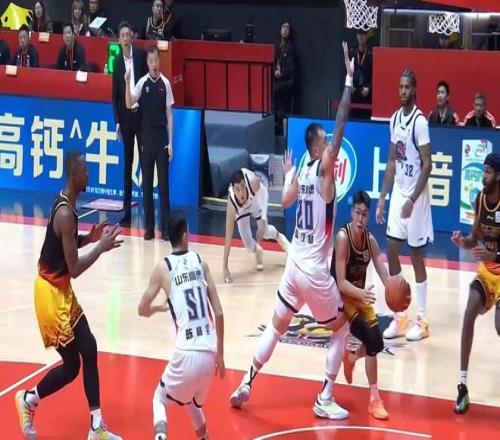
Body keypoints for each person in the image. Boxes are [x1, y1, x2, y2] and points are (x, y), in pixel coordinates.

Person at [230, 42, 354, 420]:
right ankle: (325, 396)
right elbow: (340, 128)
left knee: (277, 326)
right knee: (341, 329)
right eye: (325, 144)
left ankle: (247, 381)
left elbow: (284, 201)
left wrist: (286, 174)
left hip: (292, 267)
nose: (330, 147)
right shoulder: (322, 170)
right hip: (314, 270)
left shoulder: (300, 169)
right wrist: (349, 81)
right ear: (318, 148)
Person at [14, 151, 122, 440]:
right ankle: (28, 399)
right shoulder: (65, 213)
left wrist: (89, 238)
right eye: (85, 170)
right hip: (50, 295)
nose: (89, 174)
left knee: (89, 347)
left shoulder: (68, 204)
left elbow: (66, 245)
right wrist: (100, 248)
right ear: (74, 174)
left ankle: (96, 427)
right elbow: (73, 268)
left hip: (61, 289)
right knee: (73, 364)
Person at [138, 210, 225, 440]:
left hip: (187, 351)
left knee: (159, 399)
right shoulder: (200, 261)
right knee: (191, 402)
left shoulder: (163, 267)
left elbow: (141, 309)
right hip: (209, 353)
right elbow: (218, 312)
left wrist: (157, 309)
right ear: (186, 236)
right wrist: (221, 355)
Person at [376, 69, 433, 342]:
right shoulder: (394, 119)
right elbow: (391, 162)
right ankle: (400, 316)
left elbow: (428, 165)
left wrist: (412, 200)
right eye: (400, 87)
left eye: (407, 87)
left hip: (416, 197)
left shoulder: (420, 122)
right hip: (399, 191)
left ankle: (422, 320)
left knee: (416, 254)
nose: (402, 91)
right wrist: (382, 197)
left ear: (414, 89)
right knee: (391, 247)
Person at [332, 190, 391, 420]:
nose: (360, 218)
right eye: (357, 213)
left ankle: (352, 357)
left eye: (364, 214)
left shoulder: (370, 240)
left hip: (359, 296)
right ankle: (374, 399)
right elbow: (340, 282)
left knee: (377, 342)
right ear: (351, 212)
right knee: (370, 338)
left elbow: (380, 267)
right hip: (341, 298)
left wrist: (393, 287)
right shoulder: (343, 238)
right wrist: (362, 293)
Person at [452, 153, 500, 414]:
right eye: (483, 171)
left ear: (498, 176)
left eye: (488, 172)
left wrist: (493, 255)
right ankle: (462, 386)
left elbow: (492, 253)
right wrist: (464, 242)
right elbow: (474, 237)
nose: (484, 176)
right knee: (469, 312)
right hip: (488, 272)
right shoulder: (480, 199)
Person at [125, 46, 174, 241]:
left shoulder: (165, 84)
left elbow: (170, 115)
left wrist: (171, 142)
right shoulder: (142, 83)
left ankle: (166, 229)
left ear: (159, 61)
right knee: (146, 185)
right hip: (146, 138)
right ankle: (149, 228)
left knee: (163, 186)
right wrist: (127, 82)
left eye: (156, 60)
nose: (154, 64)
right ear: (147, 63)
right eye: (151, 61)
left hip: (161, 138)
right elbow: (129, 104)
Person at [223, 168, 289, 283]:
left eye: (242, 187)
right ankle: (258, 251)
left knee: (266, 232)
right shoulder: (231, 204)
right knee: (248, 245)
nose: (241, 192)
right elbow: (228, 238)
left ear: (245, 184)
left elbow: (265, 194)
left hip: (254, 202)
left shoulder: (252, 181)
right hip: (241, 210)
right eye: (237, 189)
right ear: (233, 190)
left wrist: (263, 219)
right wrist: (224, 267)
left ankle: (283, 241)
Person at [112, 21, 147, 227]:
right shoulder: (117, 63)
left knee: (145, 163)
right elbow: (114, 96)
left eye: (128, 35)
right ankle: (126, 213)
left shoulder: (141, 55)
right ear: (119, 40)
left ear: (131, 37)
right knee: (127, 165)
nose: (125, 38)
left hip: (140, 116)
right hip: (126, 119)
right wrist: (117, 121)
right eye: (122, 36)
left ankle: (149, 213)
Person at [274, 20, 297, 136]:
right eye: (283, 27)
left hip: (287, 83)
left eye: (287, 28)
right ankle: (278, 125)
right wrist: (275, 72)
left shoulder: (290, 48)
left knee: (277, 91)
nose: (285, 30)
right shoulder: (279, 46)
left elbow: (290, 69)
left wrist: (281, 74)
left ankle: (282, 129)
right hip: (280, 81)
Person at [351, 29, 373, 119]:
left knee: (365, 120)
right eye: (360, 34)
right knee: (353, 120)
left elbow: (375, 76)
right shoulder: (352, 53)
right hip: (354, 94)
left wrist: (369, 87)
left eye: (363, 34)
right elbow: (347, 72)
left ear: (366, 36)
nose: (361, 37)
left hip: (366, 95)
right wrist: (350, 84)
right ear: (357, 36)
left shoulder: (371, 55)